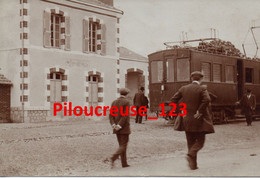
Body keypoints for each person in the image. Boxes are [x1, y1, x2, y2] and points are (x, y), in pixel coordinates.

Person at [170, 71, 215, 170]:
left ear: (191, 78)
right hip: (198, 119)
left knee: (190, 142)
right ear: (201, 79)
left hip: (186, 119)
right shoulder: (202, 89)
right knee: (200, 141)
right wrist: (200, 111)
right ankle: (190, 155)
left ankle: (193, 166)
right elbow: (207, 100)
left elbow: (173, 100)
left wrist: (181, 110)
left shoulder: (183, 88)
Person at [109, 88, 131, 168]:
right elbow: (125, 115)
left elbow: (111, 115)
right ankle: (113, 157)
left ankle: (124, 163)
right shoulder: (126, 102)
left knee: (121, 145)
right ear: (126, 94)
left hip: (116, 127)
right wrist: (120, 125)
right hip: (124, 127)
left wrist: (113, 124)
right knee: (124, 145)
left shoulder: (114, 102)